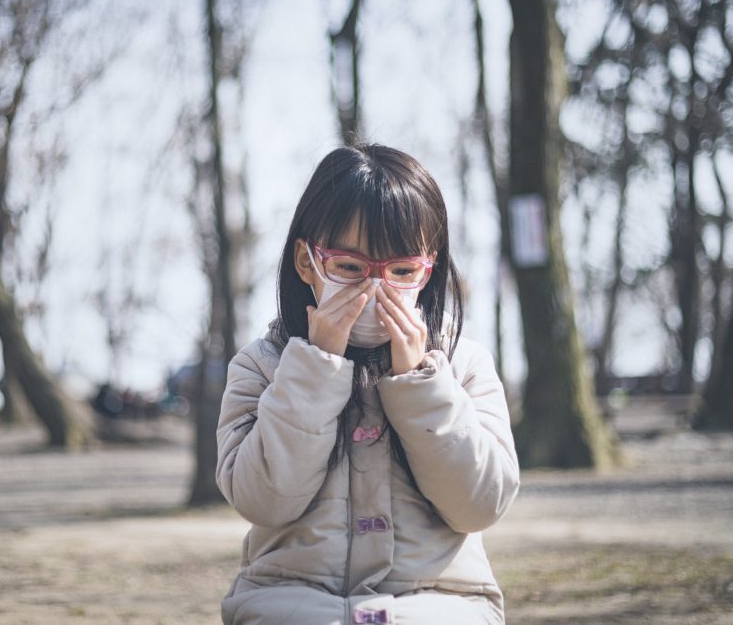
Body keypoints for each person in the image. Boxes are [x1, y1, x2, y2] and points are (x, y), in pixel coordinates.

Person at [216, 143, 520, 624]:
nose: (374, 291)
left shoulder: (465, 367)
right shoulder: (261, 366)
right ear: (306, 263)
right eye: (350, 269)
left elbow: (479, 505)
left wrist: (421, 385)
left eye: (400, 272)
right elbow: (263, 500)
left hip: (443, 601)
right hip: (290, 600)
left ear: (428, 271)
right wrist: (313, 369)